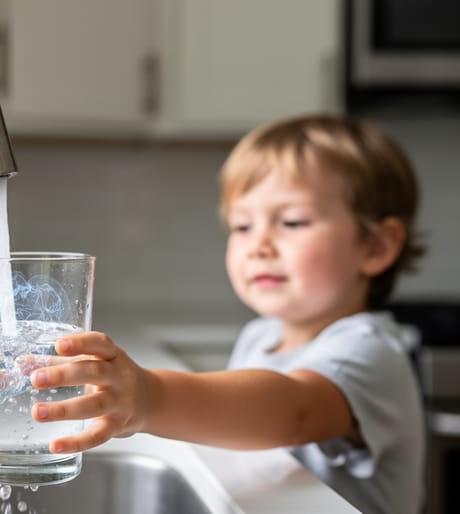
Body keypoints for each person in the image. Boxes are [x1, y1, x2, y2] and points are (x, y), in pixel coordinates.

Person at [29, 114, 426, 514]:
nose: (259, 246)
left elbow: (293, 411)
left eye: (291, 222)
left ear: (375, 247)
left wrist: (151, 397)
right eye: (241, 226)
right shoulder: (260, 336)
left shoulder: (371, 351)